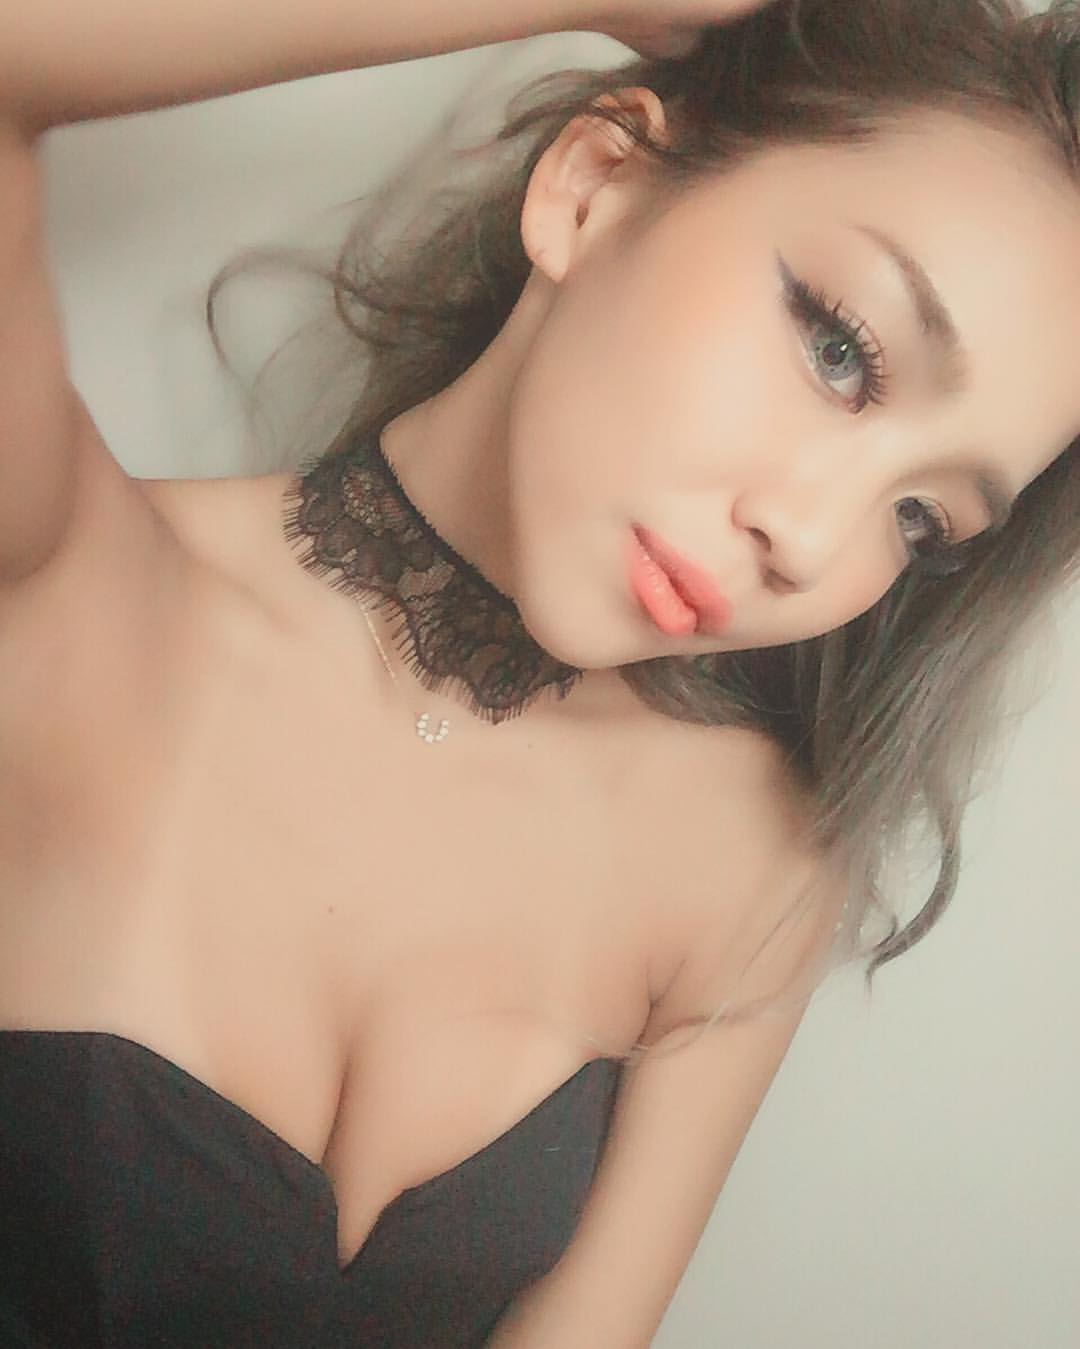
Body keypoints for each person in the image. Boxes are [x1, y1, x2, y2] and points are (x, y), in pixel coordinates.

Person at [1, 0, 1078, 1345]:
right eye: (840, 351)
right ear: (593, 184)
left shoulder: (745, 869)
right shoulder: (64, 590)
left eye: (922, 518)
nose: (810, 540)